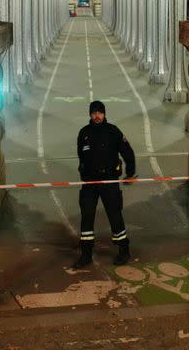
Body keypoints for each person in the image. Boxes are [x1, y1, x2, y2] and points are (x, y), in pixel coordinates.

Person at [73, 100, 135, 268]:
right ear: (90, 115)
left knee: (115, 215)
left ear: (104, 114)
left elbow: (127, 151)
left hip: (109, 181)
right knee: (86, 217)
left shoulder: (113, 131)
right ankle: (86, 254)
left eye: (100, 112)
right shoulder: (83, 133)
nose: (97, 116)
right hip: (90, 182)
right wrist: (84, 172)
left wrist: (130, 171)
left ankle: (124, 250)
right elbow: (81, 155)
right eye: (94, 113)